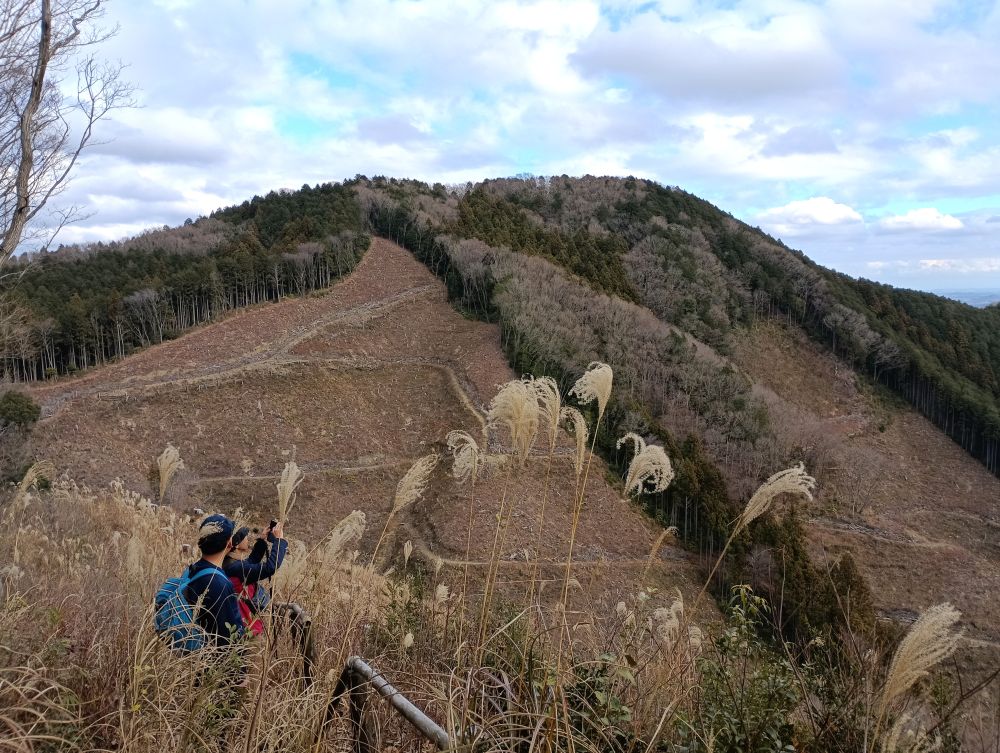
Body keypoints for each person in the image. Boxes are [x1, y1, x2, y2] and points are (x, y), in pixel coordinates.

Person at [185, 513, 245, 647]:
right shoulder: (218, 583)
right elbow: (227, 639)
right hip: (213, 663)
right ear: (229, 543)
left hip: (198, 657)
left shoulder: (194, 569)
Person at [223, 520, 287, 636]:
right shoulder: (237, 568)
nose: (248, 539)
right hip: (246, 628)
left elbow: (250, 562)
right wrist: (279, 541)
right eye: (245, 537)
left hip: (240, 623)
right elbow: (270, 568)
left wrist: (262, 540)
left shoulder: (229, 563)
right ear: (236, 544)